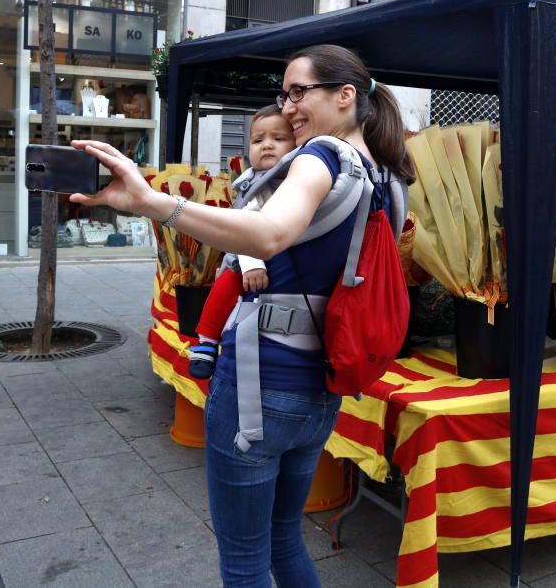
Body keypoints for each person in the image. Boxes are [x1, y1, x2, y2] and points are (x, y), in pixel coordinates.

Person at [69, 43, 415, 588]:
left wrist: (152, 203)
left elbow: (268, 233)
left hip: (261, 385)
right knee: (283, 538)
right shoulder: (387, 178)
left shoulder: (320, 157)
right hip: (321, 390)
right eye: (285, 94)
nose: (289, 106)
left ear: (346, 96)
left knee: (245, 559)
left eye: (300, 92)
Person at [187, 105, 297, 379]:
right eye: (258, 140)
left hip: (284, 256)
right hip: (251, 252)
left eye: (278, 139)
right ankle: (207, 340)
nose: (267, 146)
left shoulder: (299, 179)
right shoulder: (258, 185)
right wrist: (251, 265)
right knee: (227, 282)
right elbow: (245, 225)